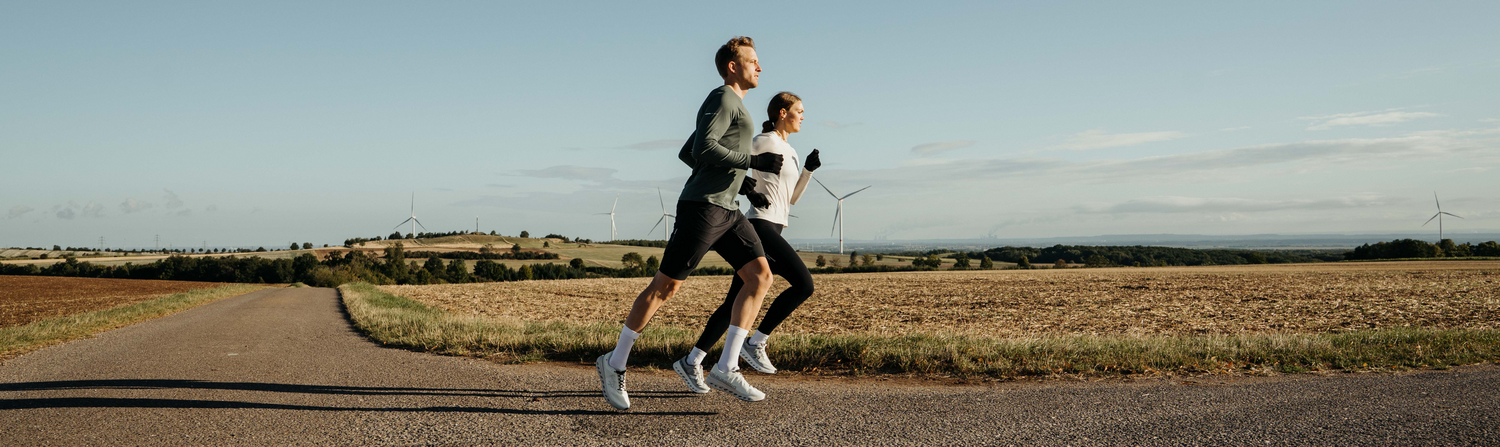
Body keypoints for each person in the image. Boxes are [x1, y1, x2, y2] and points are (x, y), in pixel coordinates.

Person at [596, 36, 784, 411]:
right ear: (733, 66)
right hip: (702, 208)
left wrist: (741, 184)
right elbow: (701, 150)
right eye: (753, 61)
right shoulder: (723, 98)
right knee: (664, 288)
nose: (760, 67)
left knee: (760, 277)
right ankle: (613, 363)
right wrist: (752, 163)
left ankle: (727, 366)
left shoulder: (734, 105)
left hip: (726, 208)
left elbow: (688, 151)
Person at [673, 92, 820, 393]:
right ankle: (756, 342)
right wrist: (743, 186)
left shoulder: (789, 149)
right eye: (799, 111)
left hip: (777, 226)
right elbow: (721, 161)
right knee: (804, 284)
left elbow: (790, 199)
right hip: (759, 225)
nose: (803, 116)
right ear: (782, 113)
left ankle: (692, 360)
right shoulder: (763, 141)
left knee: (733, 303)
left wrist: (807, 170)